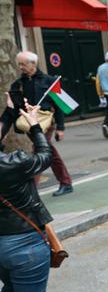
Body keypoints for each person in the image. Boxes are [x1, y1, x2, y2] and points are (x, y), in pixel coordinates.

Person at [0, 100, 72, 292]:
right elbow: (43, 157)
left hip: (2, 246)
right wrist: (34, 127)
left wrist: (9, 113)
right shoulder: (12, 163)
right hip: (26, 244)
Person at [1, 51, 73, 197]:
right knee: (48, 152)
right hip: (28, 123)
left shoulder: (49, 81)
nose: (20, 67)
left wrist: (60, 128)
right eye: (19, 64)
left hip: (46, 122)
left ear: (33, 63)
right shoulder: (17, 85)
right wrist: (3, 131)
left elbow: (59, 106)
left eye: (24, 64)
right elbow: (11, 110)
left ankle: (34, 188)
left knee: (40, 150)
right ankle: (64, 183)